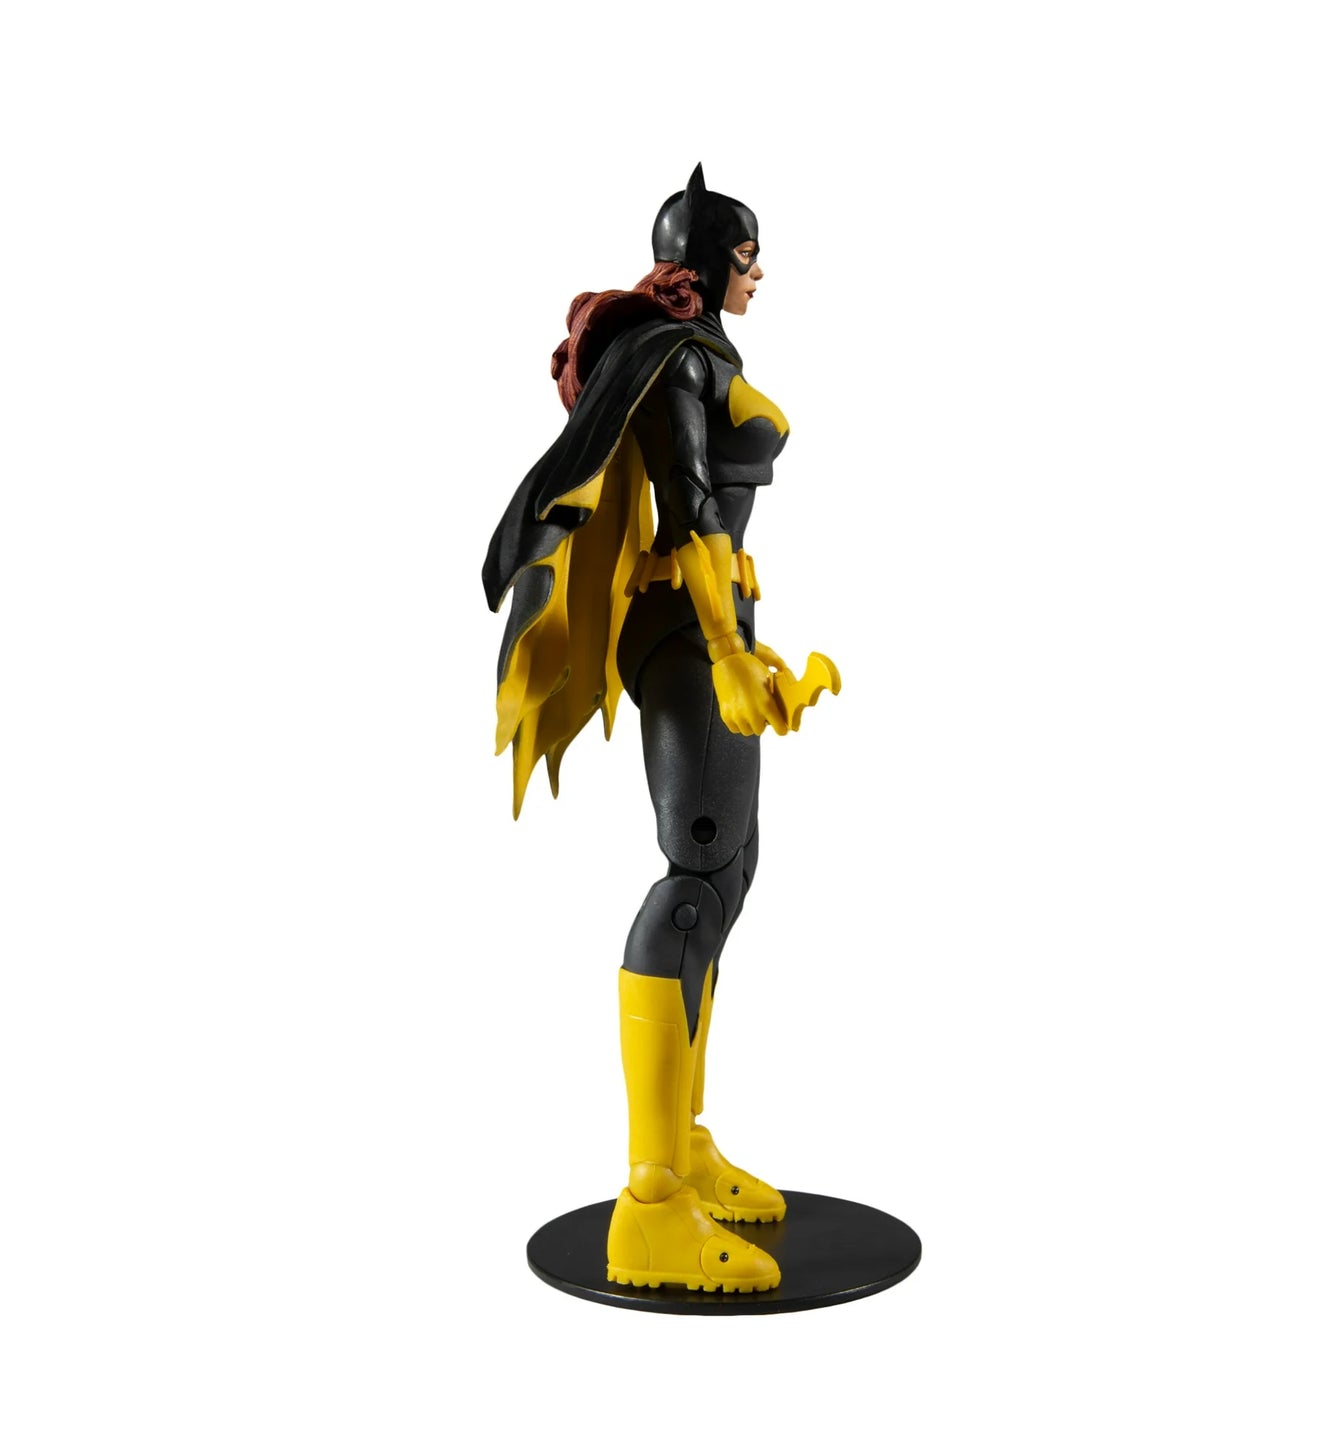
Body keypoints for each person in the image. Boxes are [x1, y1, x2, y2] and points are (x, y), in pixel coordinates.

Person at [483, 165, 838, 1293]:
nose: (758, 274)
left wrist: (745, 636)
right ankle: (647, 1206)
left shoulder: (700, 350)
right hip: (684, 632)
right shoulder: (680, 356)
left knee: (729, 873)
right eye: (748, 257)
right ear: (714, 259)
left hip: (711, 619)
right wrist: (725, 654)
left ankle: (682, 1143)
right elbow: (685, 505)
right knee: (694, 877)